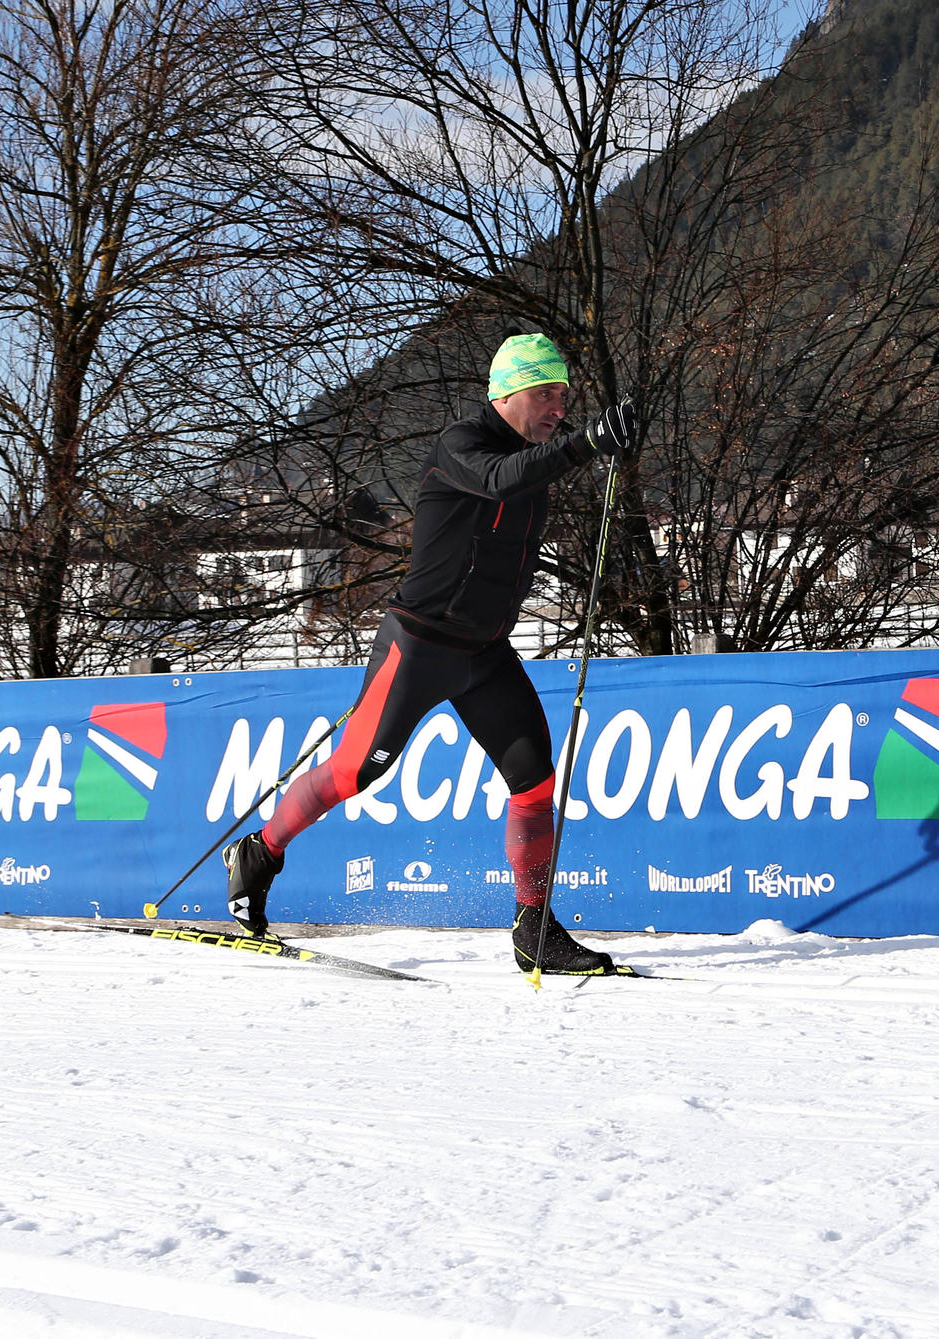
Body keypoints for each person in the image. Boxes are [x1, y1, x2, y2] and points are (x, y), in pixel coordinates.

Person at [225, 332, 638, 973]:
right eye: (546, 393)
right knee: (355, 774)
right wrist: (584, 444)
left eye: (566, 396)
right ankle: (259, 852)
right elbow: (501, 482)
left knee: (534, 779)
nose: (560, 407)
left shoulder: (537, 457)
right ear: (507, 393)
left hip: (485, 654)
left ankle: (535, 927)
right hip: (419, 645)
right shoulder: (461, 445)